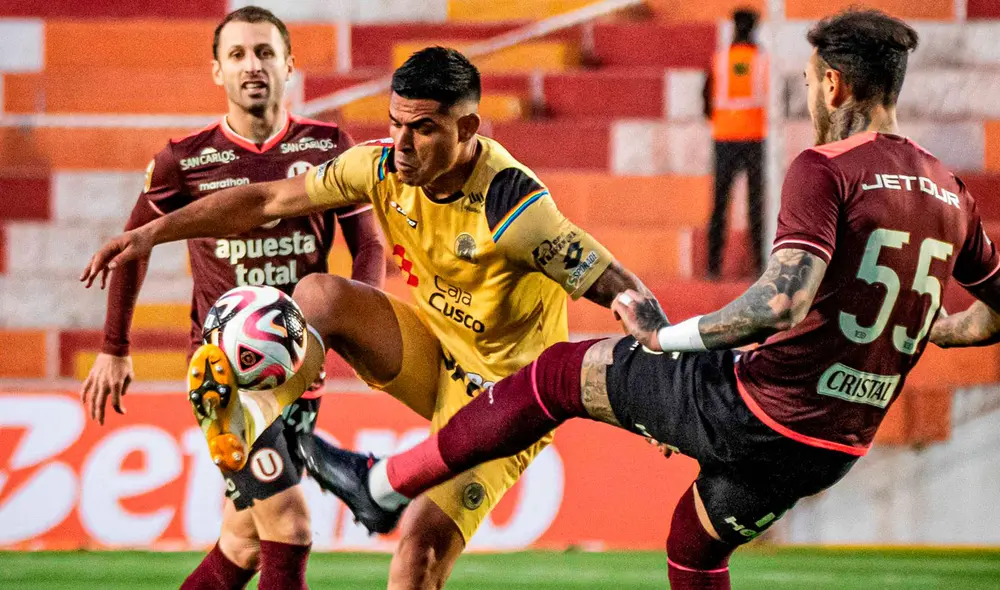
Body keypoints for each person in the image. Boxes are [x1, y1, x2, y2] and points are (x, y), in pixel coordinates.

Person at [293, 10, 1000, 590]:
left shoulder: (824, 167)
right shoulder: (950, 190)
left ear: (836, 84)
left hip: (754, 410)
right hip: (838, 438)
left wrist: (673, 339)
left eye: (813, 82)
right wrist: (937, 326)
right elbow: (995, 311)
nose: (812, 95)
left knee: (560, 373)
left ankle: (383, 482)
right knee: (693, 544)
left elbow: (781, 304)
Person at [81, 46, 651, 589]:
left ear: (468, 130)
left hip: (501, 398)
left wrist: (668, 396)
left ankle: (295, 455)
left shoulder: (515, 208)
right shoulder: (377, 166)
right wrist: (151, 233)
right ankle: (272, 427)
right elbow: (264, 202)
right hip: (431, 354)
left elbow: (622, 290)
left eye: (423, 129)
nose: (401, 143)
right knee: (320, 295)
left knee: (417, 551)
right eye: (396, 123)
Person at [78, 7, 386, 589]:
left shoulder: (329, 147)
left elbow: (368, 244)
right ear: (216, 71)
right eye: (239, 55)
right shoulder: (184, 160)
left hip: (298, 367)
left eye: (266, 53)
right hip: (222, 374)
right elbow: (134, 246)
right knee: (289, 529)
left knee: (244, 541)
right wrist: (114, 347)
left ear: (289, 65)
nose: (253, 66)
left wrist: (357, 318)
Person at [704, 8, 768, 279]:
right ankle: (761, 266)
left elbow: (705, 101)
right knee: (756, 205)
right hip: (755, 139)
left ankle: (712, 267)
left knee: (719, 204)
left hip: (724, 140)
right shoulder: (763, 62)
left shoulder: (719, 60)